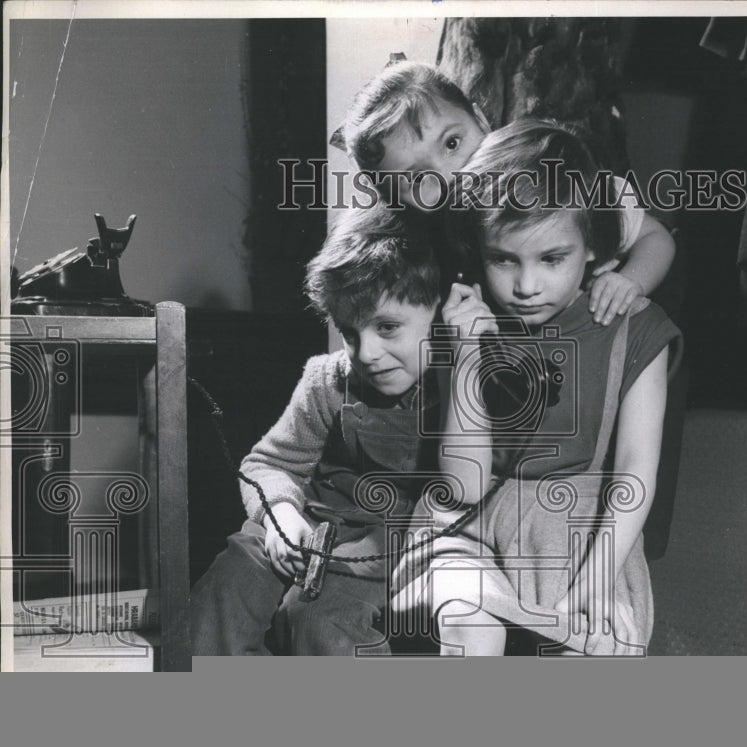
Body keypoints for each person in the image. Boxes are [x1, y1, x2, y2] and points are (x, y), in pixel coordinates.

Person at [391, 119, 682, 656]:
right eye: (504, 259)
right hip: (470, 529)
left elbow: (638, 468)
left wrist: (598, 574)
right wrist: (467, 358)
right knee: (468, 624)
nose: (525, 287)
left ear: (593, 248)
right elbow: (466, 488)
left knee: (596, 645)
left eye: (552, 259)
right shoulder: (467, 322)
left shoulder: (635, 327)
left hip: (584, 535)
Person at [191, 203, 447, 656]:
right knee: (224, 589)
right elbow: (268, 463)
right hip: (304, 527)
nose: (366, 353)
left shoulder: (460, 394)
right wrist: (280, 517)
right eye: (350, 332)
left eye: (388, 328)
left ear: (441, 314)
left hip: (382, 552)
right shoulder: (329, 379)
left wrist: (368, 556)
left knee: (320, 624)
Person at [339, 61, 675, 326]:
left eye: (452, 143)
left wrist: (630, 282)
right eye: (416, 179)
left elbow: (656, 238)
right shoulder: (426, 242)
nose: (448, 176)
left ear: (482, 121)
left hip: (619, 330)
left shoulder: (556, 179)